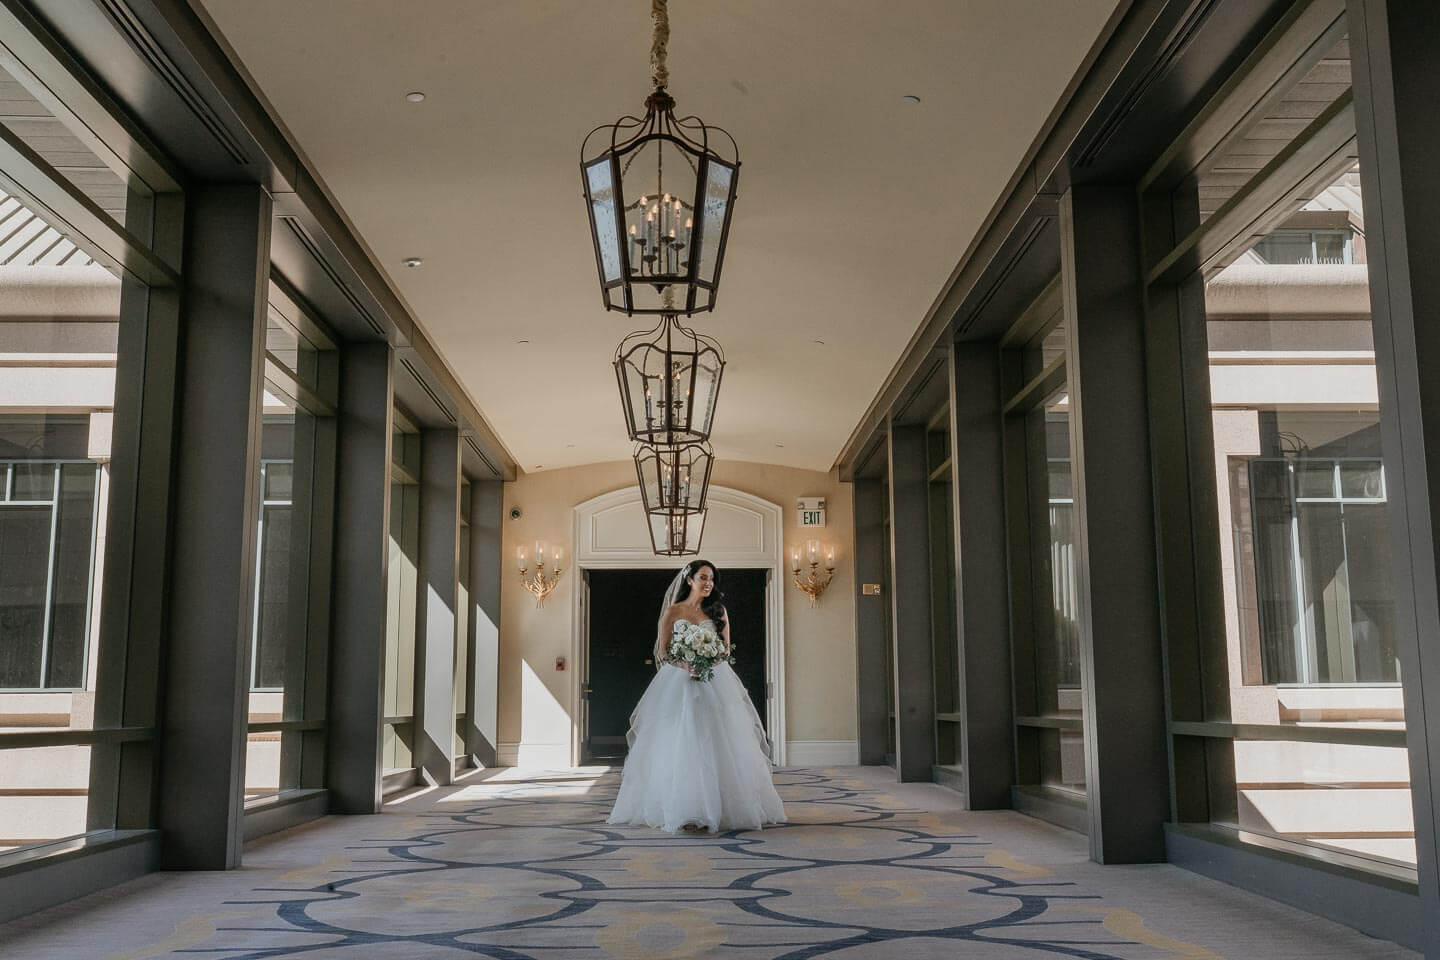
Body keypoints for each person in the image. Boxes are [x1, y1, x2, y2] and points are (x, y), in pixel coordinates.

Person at [607, 559, 787, 833]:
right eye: (703, 577)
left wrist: (708, 658)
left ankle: (721, 808)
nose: (709, 583)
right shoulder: (674, 611)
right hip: (679, 683)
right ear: (689, 579)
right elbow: (663, 652)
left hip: (715, 681)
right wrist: (685, 664)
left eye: (712, 579)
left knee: (718, 740)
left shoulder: (718, 611)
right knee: (681, 741)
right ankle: (685, 809)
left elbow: (726, 649)